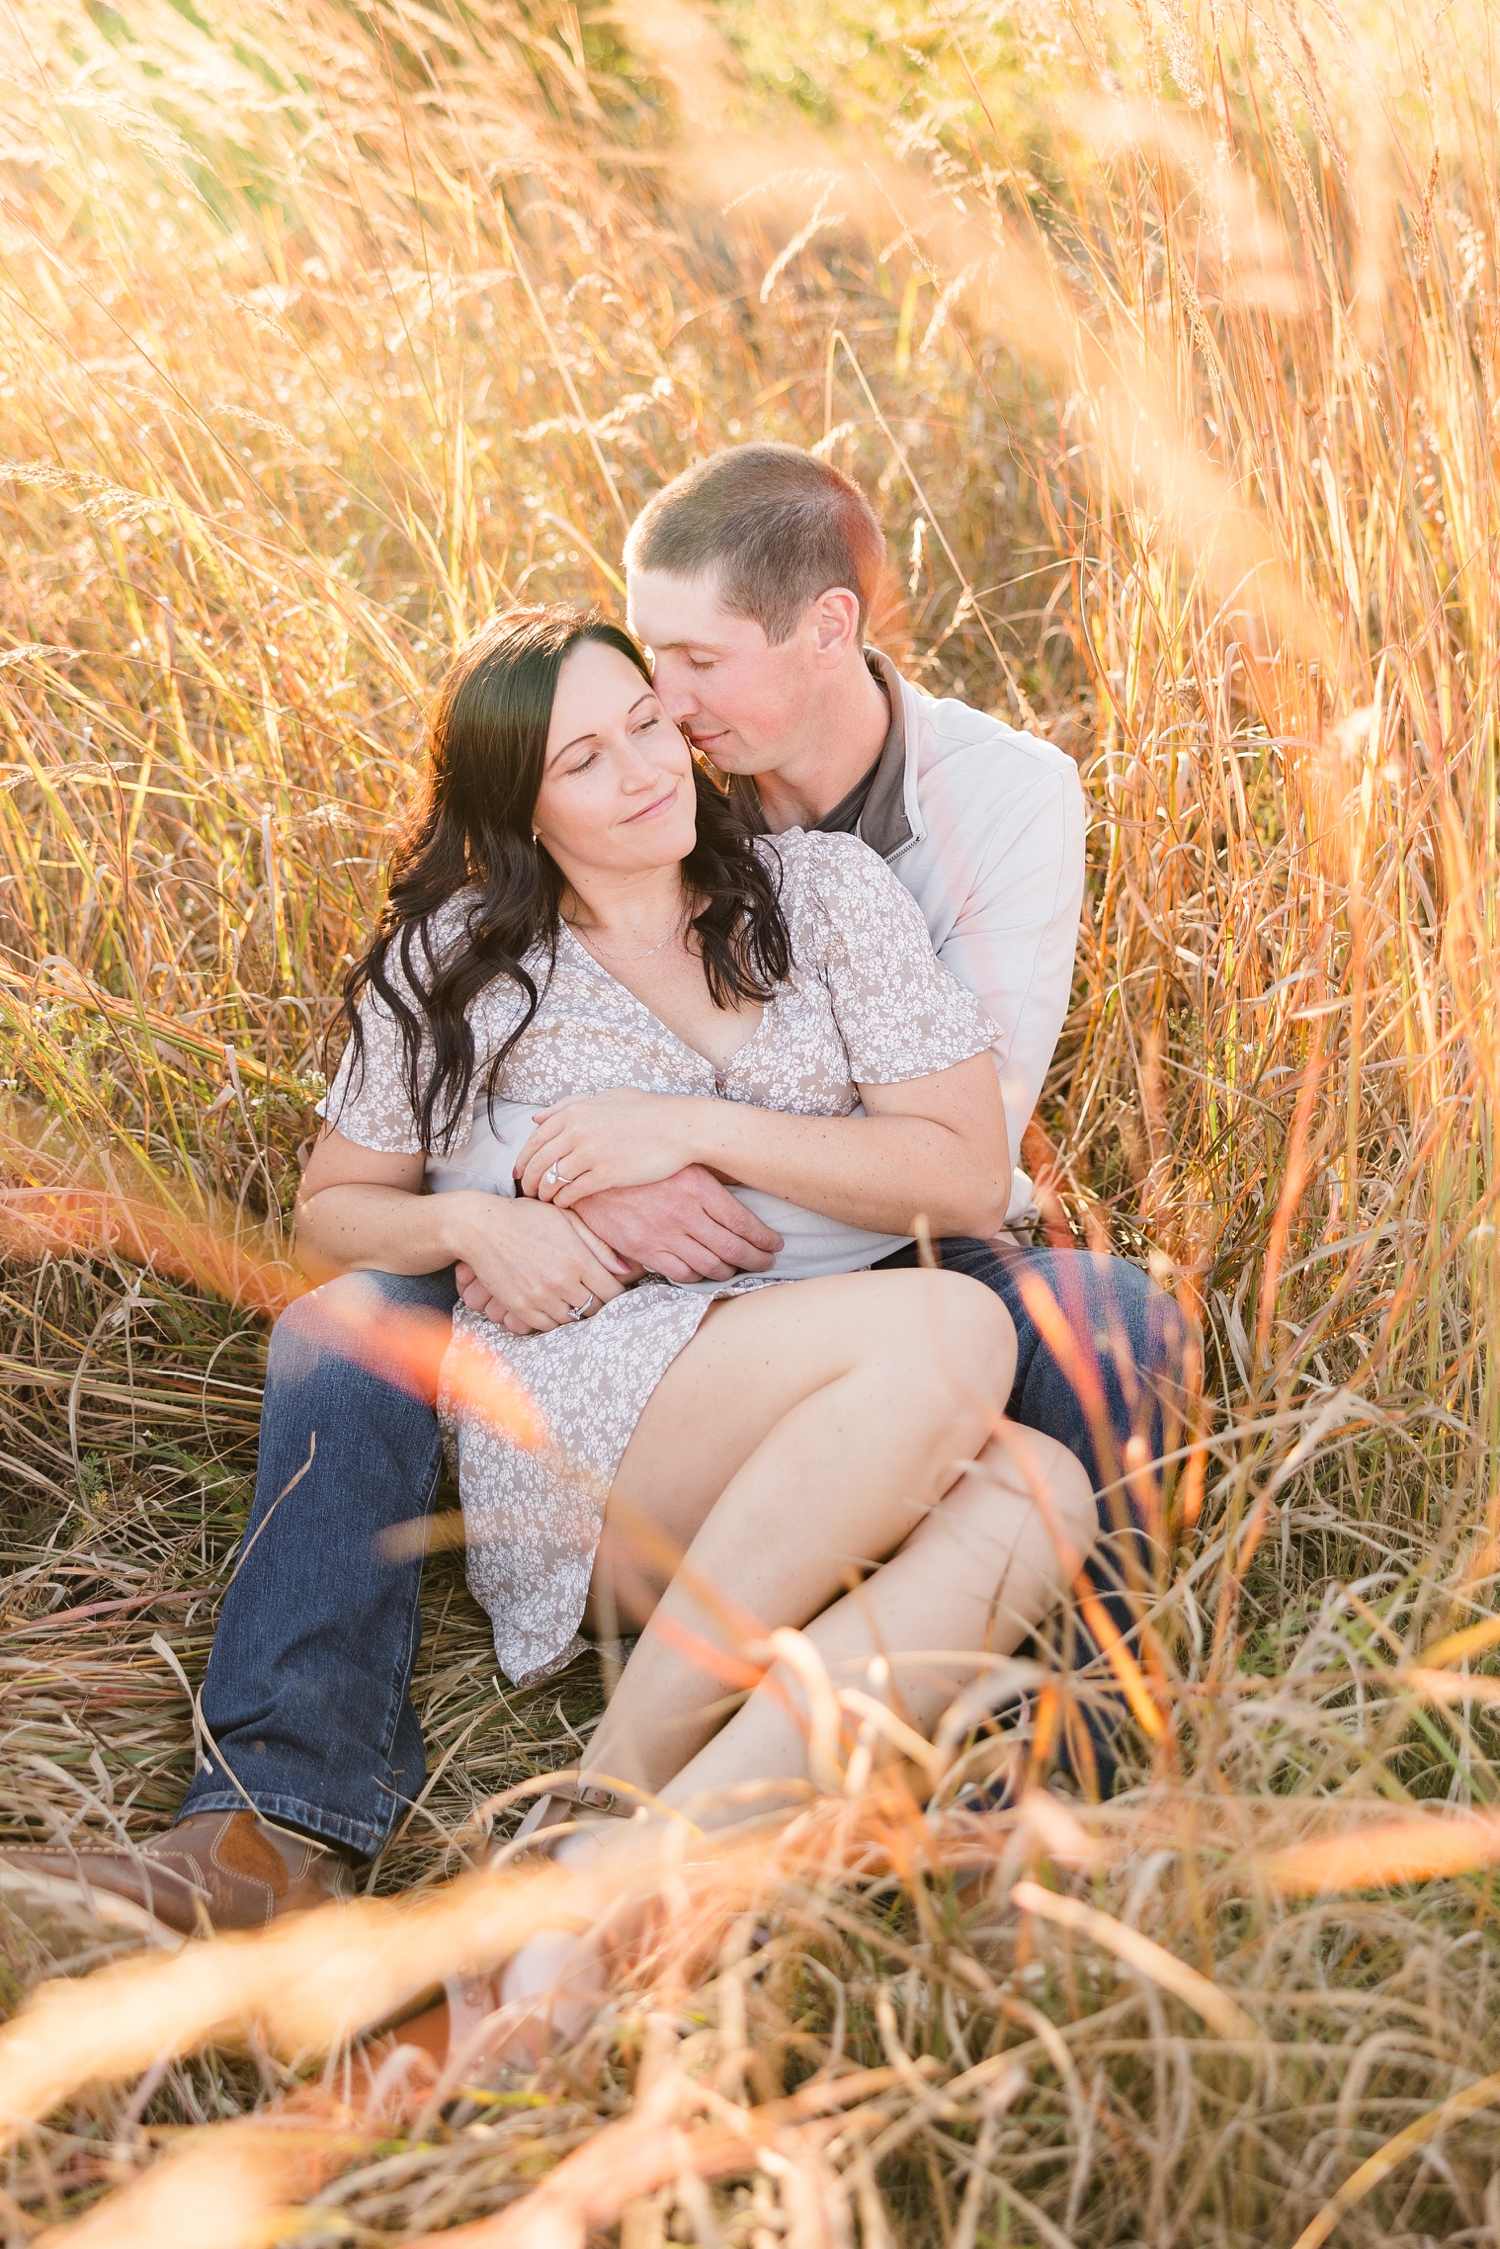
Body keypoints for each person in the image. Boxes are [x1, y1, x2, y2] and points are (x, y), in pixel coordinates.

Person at [0, 444, 1190, 1946]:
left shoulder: (929, 835)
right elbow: (341, 1209)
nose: (664, 741)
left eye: (672, 693)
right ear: (525, 807)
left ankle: (1008, 1808)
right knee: (350, 1320)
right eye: (618, 724)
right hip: (624, 1361)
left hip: (884, 1268)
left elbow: (968, 1158)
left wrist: (672, 1138)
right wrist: (505, 1204)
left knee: (1082, 1380)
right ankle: (275, 1822)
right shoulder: (472, 953)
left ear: (827, 635)